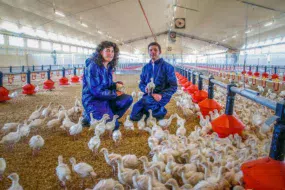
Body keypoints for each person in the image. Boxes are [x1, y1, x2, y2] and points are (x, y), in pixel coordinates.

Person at [81, 41, 133, 130]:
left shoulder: (108, 66)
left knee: (128, 99)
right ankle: (89, 116)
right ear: (101, 52)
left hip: (105, 98)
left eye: (112, 51)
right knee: (114, 126)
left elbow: (106, 84)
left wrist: (115, 85)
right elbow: (96, 91)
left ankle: (104, 116)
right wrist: (115, 93)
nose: (111, 53)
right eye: (107, 50)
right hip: (93, 100)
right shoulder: (93, 66)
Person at [130, 42, 177, 121]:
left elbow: (173, 86)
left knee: (147, 102)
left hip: (161, 96)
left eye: (155, 50)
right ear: (148, 52)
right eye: (150, 50)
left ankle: (161, 112)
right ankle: (150, 111)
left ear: (160, 52)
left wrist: (161, 95)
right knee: (134, 115)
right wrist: (145, 88)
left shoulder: (168, 67)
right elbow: (141, 83)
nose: (153, 52)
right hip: (148, 96)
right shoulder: (145, 68)